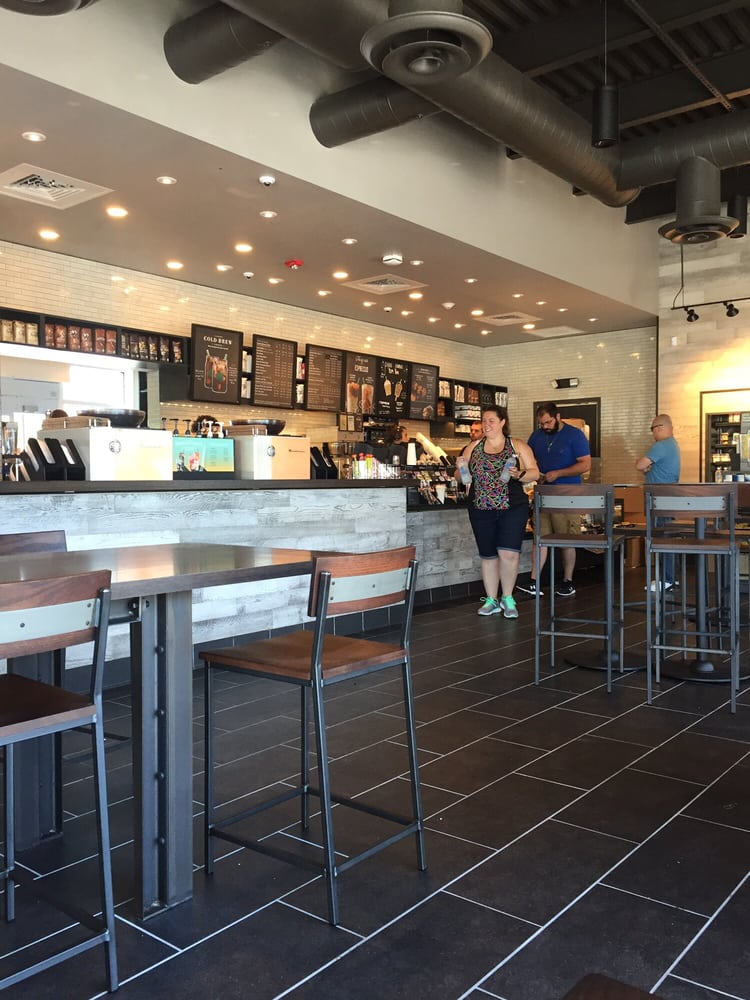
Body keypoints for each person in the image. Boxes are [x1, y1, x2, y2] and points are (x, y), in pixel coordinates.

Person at [463, 405, 539, 618]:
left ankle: (507, 597)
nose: (486, 425)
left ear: (502, 422)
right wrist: (461, 471)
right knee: (488, 555)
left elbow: (534, 473)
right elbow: (460, 475)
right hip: (480, 507)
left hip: (512, 507)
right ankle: (491, 599)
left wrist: (518, 473)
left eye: (491, 421)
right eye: (484, 421)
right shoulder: (473, 447)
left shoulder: (517, 446)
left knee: (509, 554)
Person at [519, 402, 591, 597]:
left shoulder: (575, 435)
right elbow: (529, 460)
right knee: (540, 539)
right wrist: (533, 473)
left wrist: (558, 473)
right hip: (543, 493)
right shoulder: (537, 436)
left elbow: (585, 465)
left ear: (558, 417)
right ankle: (534, 581)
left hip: (567, 495)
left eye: (548, 422)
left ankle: (568, 581)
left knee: (566, 539)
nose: (545, 427)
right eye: (542, 423)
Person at [635, 413, 681, 590]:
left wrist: (643, 464)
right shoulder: (672, 445)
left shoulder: (661, 445)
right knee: (668, 536)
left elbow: (640, 465)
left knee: (662, 537)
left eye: (652, 429)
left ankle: (666, 579)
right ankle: (671, 578)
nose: (652, 433)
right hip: (667, 497)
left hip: (659, 498)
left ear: (660, 428)